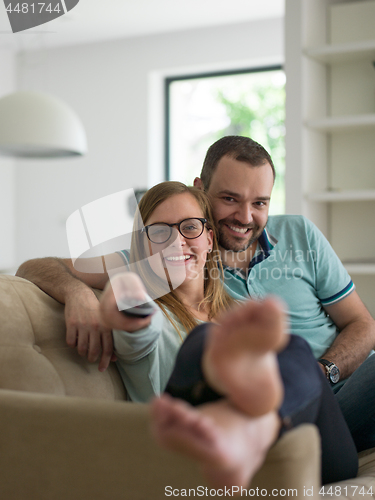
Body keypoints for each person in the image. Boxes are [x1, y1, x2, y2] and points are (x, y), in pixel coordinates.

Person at [16, 136, 375, 451]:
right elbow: (41, 268)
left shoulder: (297, 235)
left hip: (334, 386)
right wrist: (78, 293)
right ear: (202, 189)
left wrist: (322, 373)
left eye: (260, 203)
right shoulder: (160, 257)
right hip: (277, 418)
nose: (245, 217)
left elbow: (362, 323)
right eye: (230, 198)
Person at [97, 180, 357, 487]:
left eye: (189, 227)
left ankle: (252, 430)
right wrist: (123, 294)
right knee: (204, 339)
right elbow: (137, 329)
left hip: (310, 453)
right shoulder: (156, 316)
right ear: (142, 248)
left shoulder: (239, 311)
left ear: (209, 239)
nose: (176, 241)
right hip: (191, 458)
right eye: (159, 232)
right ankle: (236, 430)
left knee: (294, 347)